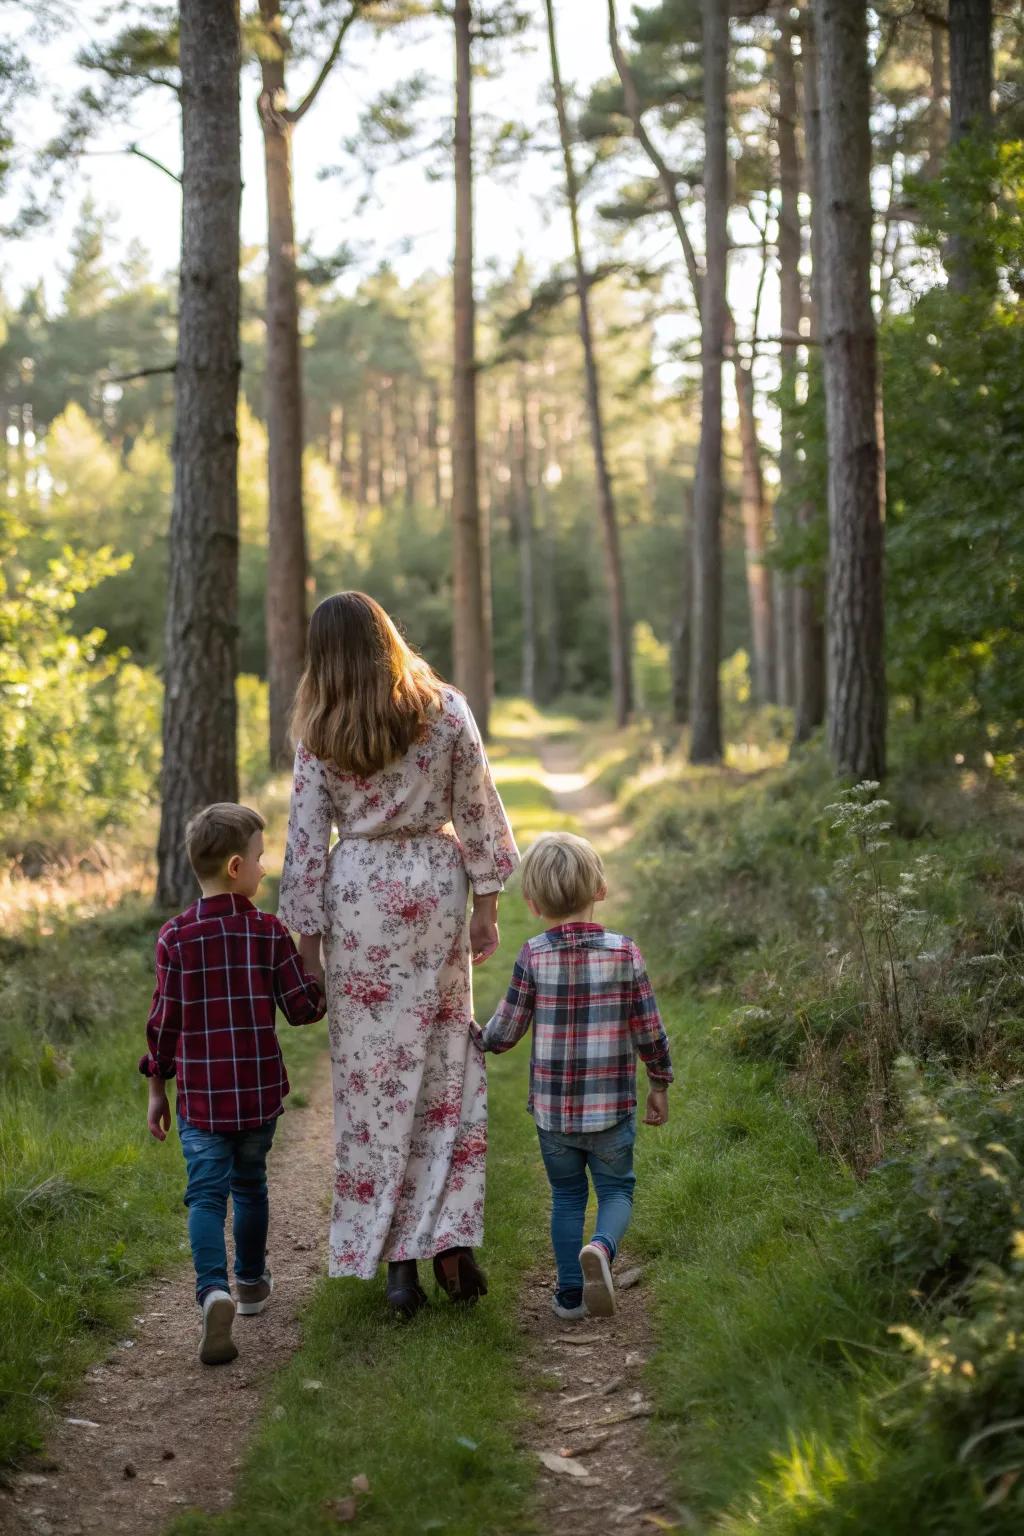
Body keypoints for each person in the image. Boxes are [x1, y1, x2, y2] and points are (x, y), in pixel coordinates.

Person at [277, 591, 519, 1318]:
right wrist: (485, 905)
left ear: (324, 656)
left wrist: (308, 950)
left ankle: (396, 1266)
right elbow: (476, 805)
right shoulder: (443, 708)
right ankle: (448, 1236)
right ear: (387, 638)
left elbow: (303, 846)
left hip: (359, 908)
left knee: (372, 1090)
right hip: (432, 896)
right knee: (446, 1073)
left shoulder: (319, 728)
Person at [140, 803, 327, 1365]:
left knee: (204, 1195)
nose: (266, 870)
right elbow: (301, 1010)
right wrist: (315, 964)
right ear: (237, 866)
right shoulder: (269, 932)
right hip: (257, 1096)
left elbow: (163, 1024)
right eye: (262, 860)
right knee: (250, 1188)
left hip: (200, 1100)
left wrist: (157, 1089)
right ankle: (249, 1284)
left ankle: (211, 1290)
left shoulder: (175, 937)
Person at [477, 831, 672, 1320]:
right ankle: (602, 1249)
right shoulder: (624, 954)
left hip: (554, 1117)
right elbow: (649, 1029)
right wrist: (660, 1083)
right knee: (616, 1191)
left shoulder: (533, 955)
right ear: (600, 889)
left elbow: (507, 1029)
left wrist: (478, 1036)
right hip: (611, 1111)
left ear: (534, 903)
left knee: (566, 1196)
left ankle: (568, 1297)